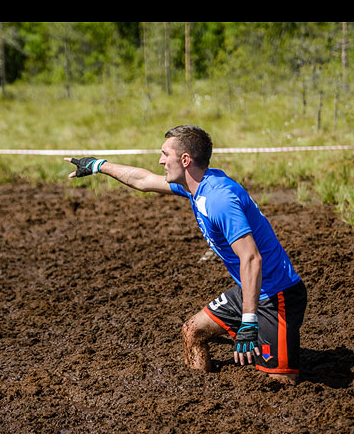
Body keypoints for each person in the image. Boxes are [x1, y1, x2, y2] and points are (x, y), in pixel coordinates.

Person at [65, 125, 307, 385]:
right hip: (250, 288)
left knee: (282, 382)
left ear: (185, 160)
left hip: (276, 296)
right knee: (194, 331)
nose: (160, 161)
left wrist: (249, 321)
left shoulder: (218, 199)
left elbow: (251, 258)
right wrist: (99, 165)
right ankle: (198, 396)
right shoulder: (196, 186)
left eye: (164, 154)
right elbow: (143, 180)